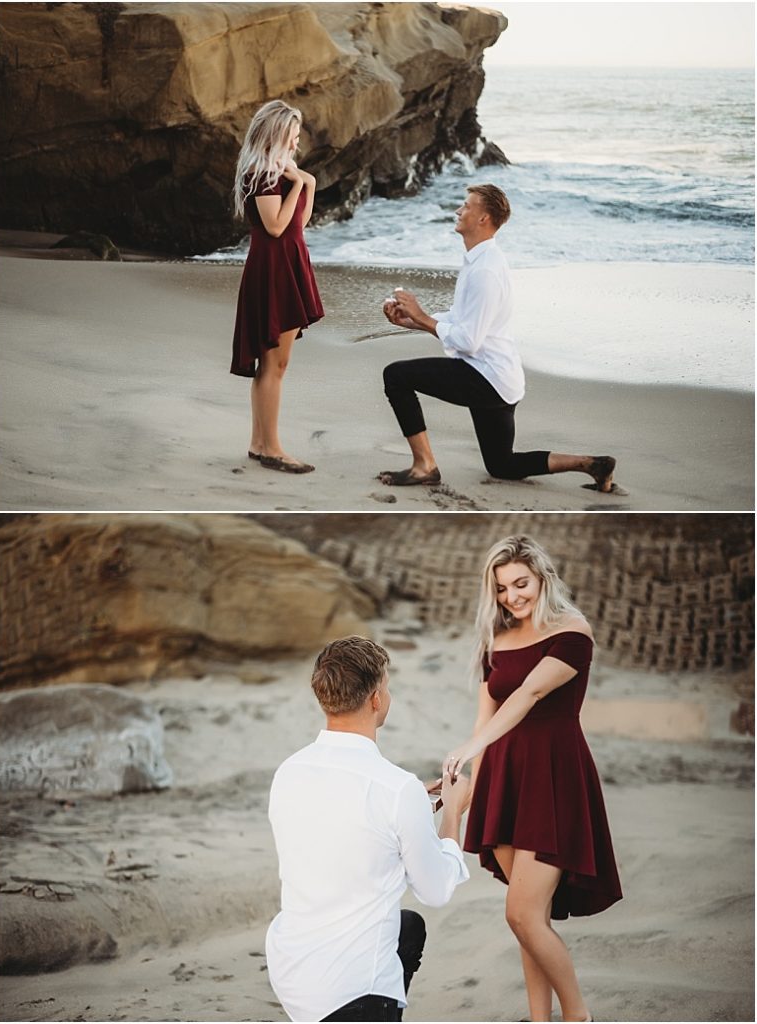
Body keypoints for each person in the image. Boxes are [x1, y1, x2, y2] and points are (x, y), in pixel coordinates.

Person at [442, 535, 622, 1023]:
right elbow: (487, 717)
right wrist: (466, 778)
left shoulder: (572, 633)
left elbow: (527, 696)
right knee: (529, 921)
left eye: (521, 583)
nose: (512, 597)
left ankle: (577, 1016)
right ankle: (539, 1020)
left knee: (520, 913)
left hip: (554, 777)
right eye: (501, 589)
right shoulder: (494, 640)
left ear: (543, 578)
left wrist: (469, 749)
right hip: (504, 778)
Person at [266, 636, 471, 1022]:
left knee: (408, 928)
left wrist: (413, 806)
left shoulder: (289, 771)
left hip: (291, 971)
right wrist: (453, 812)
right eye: (387, 686)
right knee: (408, 926)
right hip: (351, 987)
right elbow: (437, 889)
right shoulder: (395, 788)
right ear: (376, 698)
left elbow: (344, 831)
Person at [378, 184, 617, 491]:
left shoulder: (485, 271)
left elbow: (468, 341)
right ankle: (592, 464)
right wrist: (412, 320)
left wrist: (422, 316)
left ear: (483, 218)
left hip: (486, 376)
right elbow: (462, 321)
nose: (458, 210)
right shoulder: (480, 261)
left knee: (396, 376)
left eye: (466, 206)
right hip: (501, 378)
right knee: (501, 464)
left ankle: (425, 466)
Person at [230, 99, 324, 474]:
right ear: (275, 135)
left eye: (298, 136)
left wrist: (308, 183)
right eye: (292, 136)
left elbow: (300, 221)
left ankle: (260, 443)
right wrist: (298, 180)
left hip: (287, 263)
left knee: (274, 363)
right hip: (273, 269)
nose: (297, 143)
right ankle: (271, 447)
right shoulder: (262, 174)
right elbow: (275, 227)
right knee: (274, 363)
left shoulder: (278, 171)